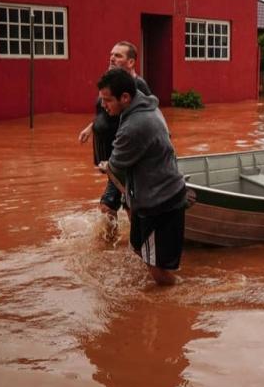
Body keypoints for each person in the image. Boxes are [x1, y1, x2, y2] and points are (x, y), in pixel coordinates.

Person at [97, 68, 186, 286]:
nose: (103, 105)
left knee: (156, 269)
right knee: (138, 247)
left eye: (107, 100)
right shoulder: (146, 105)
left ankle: (179, 294)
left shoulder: (134, 126)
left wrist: (107, 166)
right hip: (151, 195)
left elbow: (115, 166)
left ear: (125, 97)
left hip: (159, 203)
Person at [78, 41, 155, 220]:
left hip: (126, 158)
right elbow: (106, 111)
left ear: (131, 62)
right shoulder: (111, 82)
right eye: (111, 54)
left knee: (110, 206)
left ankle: (132, 234)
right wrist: (92, 127)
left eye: (118, 55)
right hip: (114, 157)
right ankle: (132, 231)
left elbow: (149, 116)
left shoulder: (138, 86)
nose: (112, 58)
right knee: (125, 202)